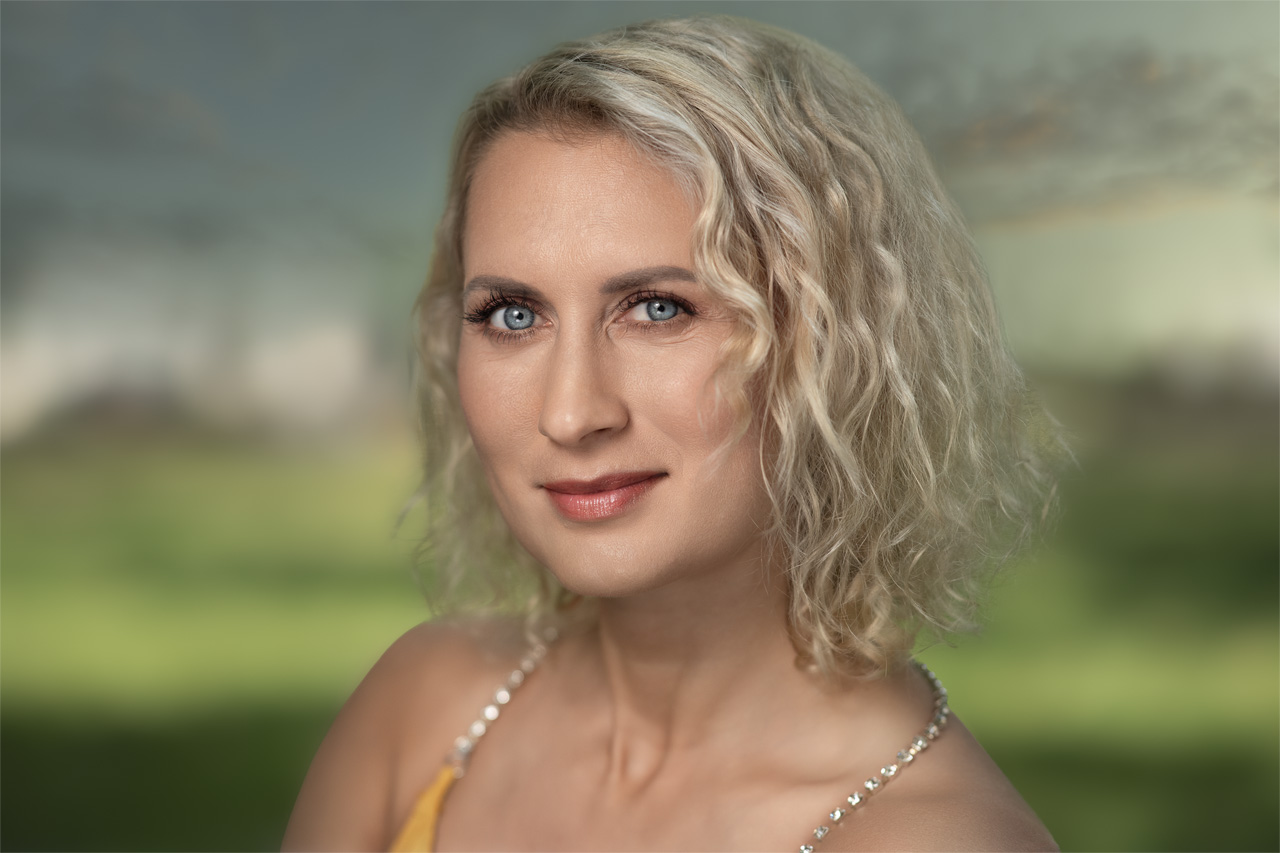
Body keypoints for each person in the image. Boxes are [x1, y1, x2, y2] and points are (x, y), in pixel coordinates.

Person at [283, 15, 1061, 852]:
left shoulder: (937, 838)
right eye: (512, 315)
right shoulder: (425, 705)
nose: (570, 413)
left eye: (658, 309)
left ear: (831, 341)